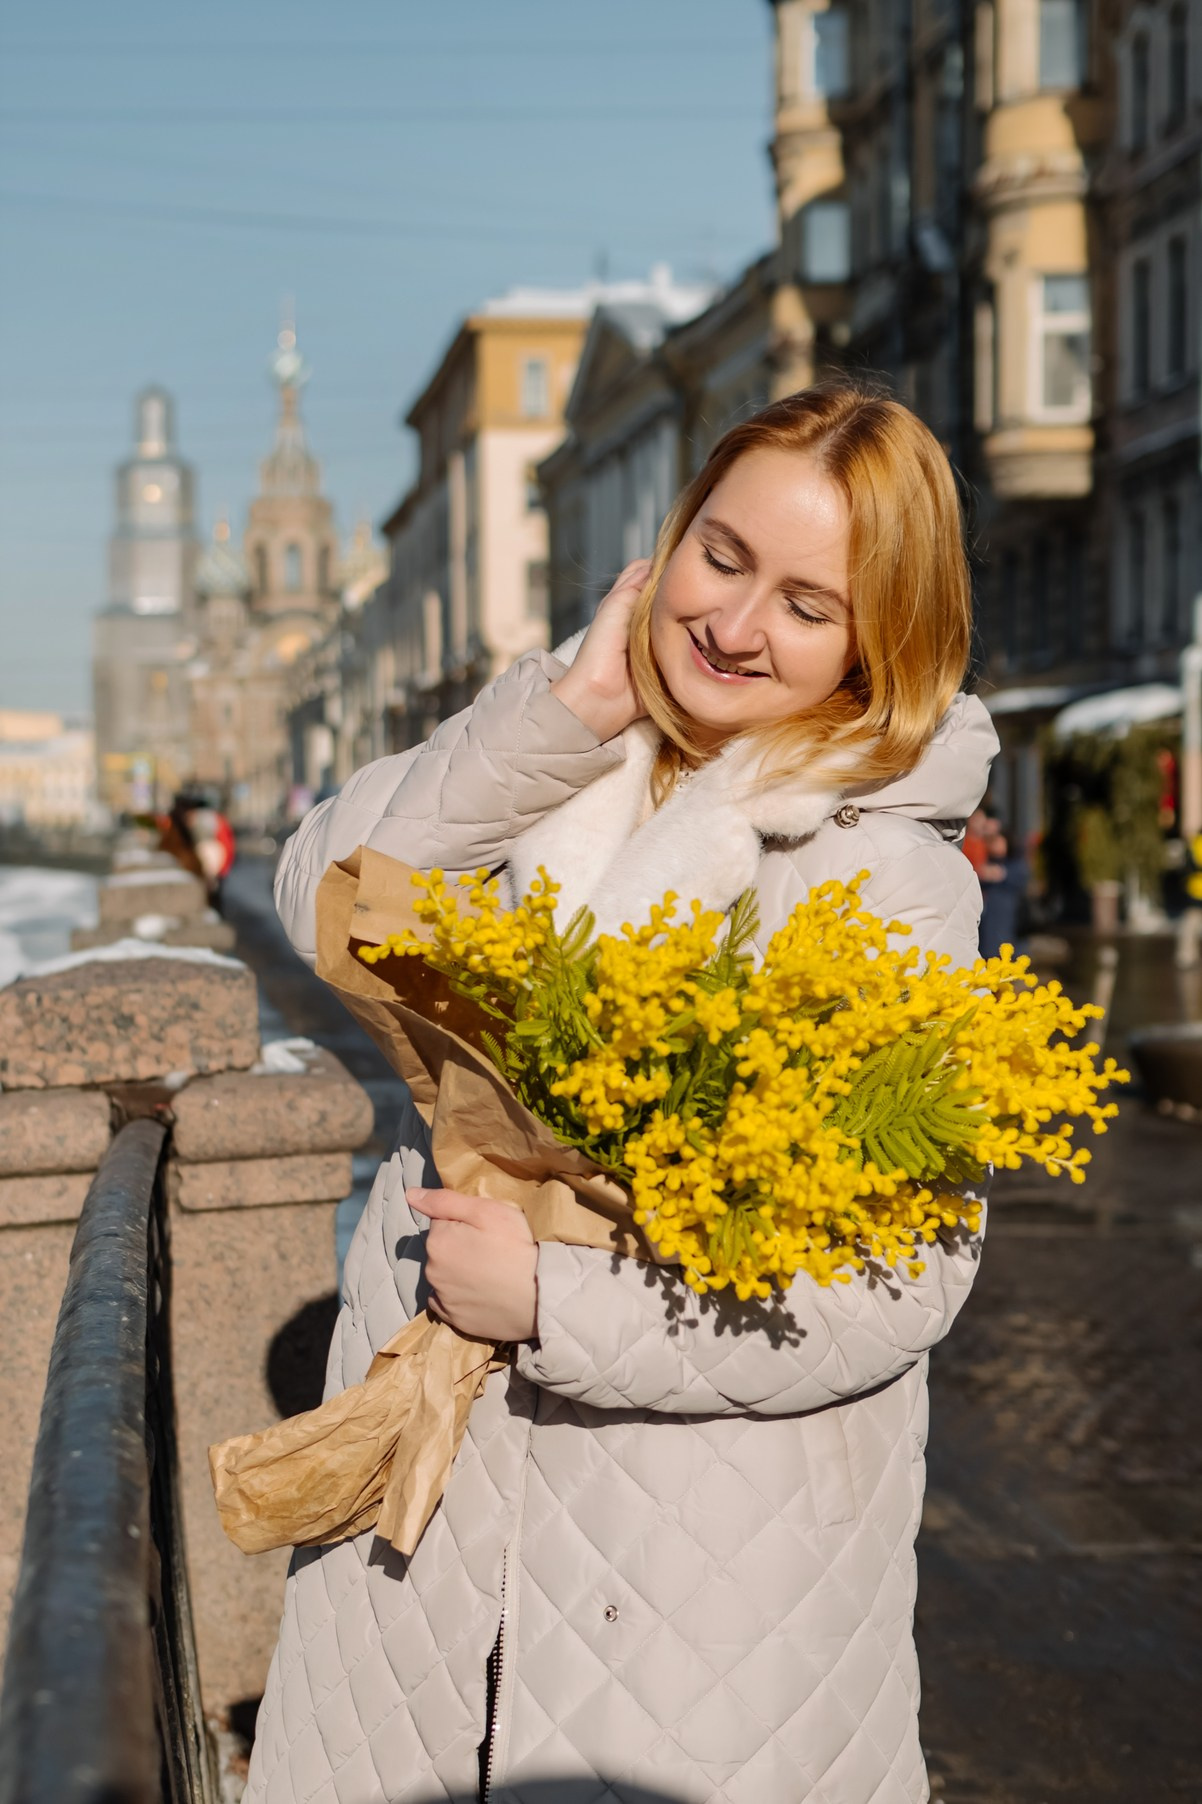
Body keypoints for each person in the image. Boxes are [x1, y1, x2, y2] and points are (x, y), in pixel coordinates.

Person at [248, 384, 999, 1804]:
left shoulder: (884, 876)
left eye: (807, 602)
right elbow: (328, 902)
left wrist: (555, 1302)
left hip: (687, 1587)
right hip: (433, 1544)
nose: (734, 625)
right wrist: (564, 710)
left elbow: (898, 1279)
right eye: (720, 558)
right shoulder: (561, 748)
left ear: (878, 637)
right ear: (666, 546)